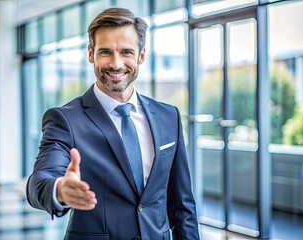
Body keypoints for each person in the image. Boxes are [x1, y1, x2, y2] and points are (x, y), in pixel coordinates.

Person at [26, 7, 200, 240]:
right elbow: (40, 180)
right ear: (91, 54)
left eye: (126, 52)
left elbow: (182, 205)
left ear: (141, 55)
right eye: (105, 52)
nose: (116, 64)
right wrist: (60, 190)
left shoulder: (168, 116)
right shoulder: (65, 119)